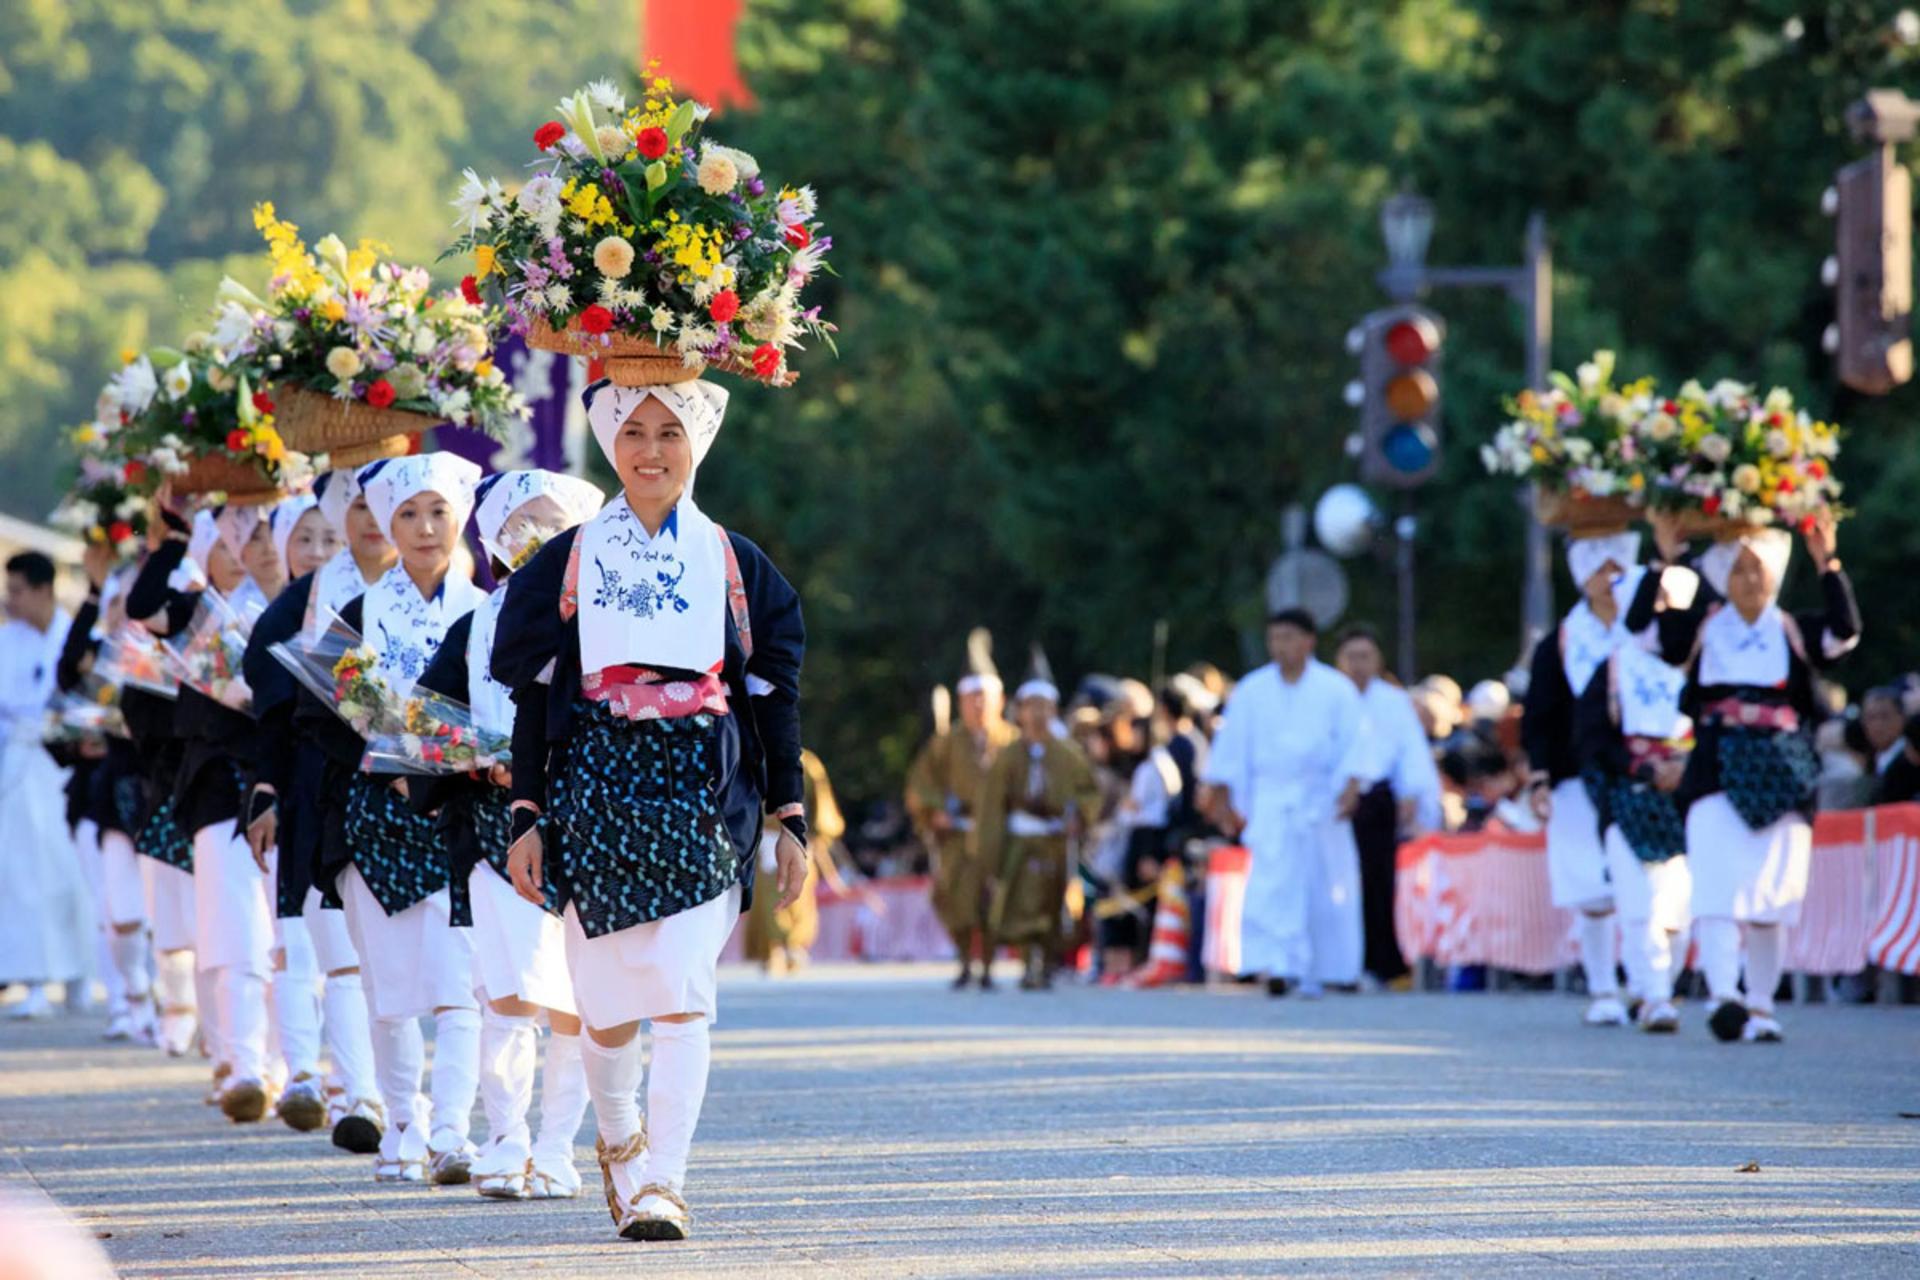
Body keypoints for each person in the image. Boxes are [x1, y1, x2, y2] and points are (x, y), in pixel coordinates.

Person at [492, 380, 809, 1242]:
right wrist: (525, 814)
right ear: (610, 444)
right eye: (634, 431)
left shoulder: (734, 561)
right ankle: (620, 1138)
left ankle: (665, 1180)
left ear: (695, 445)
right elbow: (533, 698)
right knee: (604, 1009)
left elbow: (774, 696)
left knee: (682, 991)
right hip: (595, 791)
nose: (652, 450)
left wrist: (790, 815)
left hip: (706, 792)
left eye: (671, 431)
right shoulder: (568, 560)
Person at [411, 467, 603, 1201]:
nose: (536, 535)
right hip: (495, 831)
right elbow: (427, 724)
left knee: (578, 999)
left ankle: (557, 1147)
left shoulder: (608, 614)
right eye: (520, 523)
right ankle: (506, 1138)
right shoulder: (475, 626)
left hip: (592, 826)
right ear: (494, 538)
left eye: (551, 521)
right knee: (510, 992)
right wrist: (476, 759)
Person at [325, 453, 488, 1183]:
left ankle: (452, 1130)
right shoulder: (354, 615)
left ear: (461, 519)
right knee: (388, 990)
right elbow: (328, 718)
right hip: (379, 814)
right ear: (387, 525)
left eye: (439, 513)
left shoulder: (488, 612)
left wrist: (452, 760)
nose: (425, 529)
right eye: (409, 515)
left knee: (461, 982)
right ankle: (403, 1124)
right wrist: (390, 758)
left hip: (462, 812)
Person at [1642, 513, 1859, 1043]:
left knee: (1772, 896)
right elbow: (1649, 632)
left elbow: (1844, 633)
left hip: (1782, 772)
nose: (1748, 580)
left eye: (1757, 568)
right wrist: (1667, 559)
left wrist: (1827, 562)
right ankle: (1724, 996)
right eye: (1736, 570)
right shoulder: (1703, 628)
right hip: (1716, 768)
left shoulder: (1792, 630)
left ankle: (1761, 1003)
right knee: (1716, 889)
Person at [240, 467, 391, 1154]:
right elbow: (274, 706)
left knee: (412, 960)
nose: (371, 521)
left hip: (422, 792)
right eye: (356, 507)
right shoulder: (308, 603)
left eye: (384, 506)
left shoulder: (449, 597)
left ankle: (413, 1103)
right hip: (321, 786)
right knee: (334, 948)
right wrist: (267, 789)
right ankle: (358, 1093)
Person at [127, 502, 284, 1120]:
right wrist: (172, 541)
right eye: (227, 542)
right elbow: (143, 607)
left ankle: (288, 1064)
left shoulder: (294, 606)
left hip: (288, 784)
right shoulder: (194, 613)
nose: (245, 552)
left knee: (288, 934)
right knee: (232, 927)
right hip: (218, 784)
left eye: (259, 537)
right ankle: (243, 1065)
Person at [1202, 608, 1368, 997]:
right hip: (1272, 798)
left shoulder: (1335, 689)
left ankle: (1335, 968)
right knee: (1272, 884)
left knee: (1327, 886)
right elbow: (1232, 748)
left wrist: (1351, 786)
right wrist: (1221, 796)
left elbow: (1355, 744)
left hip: (1320, 799)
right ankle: (1277, 964)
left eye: (1289, 638)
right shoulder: (1252, 690)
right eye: (1275, 638)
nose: (1281, 646)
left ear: (1309, 641)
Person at [1579, 535, 1700, 1032]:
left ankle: (1659, 984)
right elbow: (1592, 740)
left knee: (1678, 910)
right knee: (1637, 904)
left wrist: (1684, 769)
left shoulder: (1702, 665)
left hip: (1685, 798)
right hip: (1627, 798)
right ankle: (1654, 996)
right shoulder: (1610, 670)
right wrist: (1642, 769)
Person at [1522, 531, 1640, 1026]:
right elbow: (1539, 715)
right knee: (1592, 892)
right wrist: (1540, 777)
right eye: (1599, 570)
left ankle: (1649, 985)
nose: (1609, 580)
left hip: (1641, 773)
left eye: (1617, 569)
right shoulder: (1561, 642)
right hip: (1575, 779)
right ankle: (1603, 988)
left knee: (1649, 886)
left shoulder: (1651, 630)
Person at [57, 546, 155, 1043]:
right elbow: (66, 673)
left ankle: (169, 1004)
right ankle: (129, 997)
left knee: (165, 913)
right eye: (118, 603)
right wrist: (95, 596)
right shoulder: (98, 662)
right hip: (109, 801)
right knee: (118, 911)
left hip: (162, 797)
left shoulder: (165, 659)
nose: (125, 613)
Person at [0, 551, 89, 1020]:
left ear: (42, 590)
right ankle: (32, 979)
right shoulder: (7, 640)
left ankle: (79, 974)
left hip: (63, 766)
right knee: (21, 876)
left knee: (70, 873)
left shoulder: (72, 637)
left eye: (17, 591)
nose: (10, 600)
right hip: (17, 767)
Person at [1333, 624, 1441, 989]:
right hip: (1334, 802)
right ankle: (1335, 961)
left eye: (1365, 656)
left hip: (1376, 800)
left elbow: (1411, 751)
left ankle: (1378, 963)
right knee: (1334, 882)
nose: (1358, 664)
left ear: (1378, 659)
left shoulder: (1393, 702)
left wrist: (1410, 793)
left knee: (1378, 882)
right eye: (1351, 657)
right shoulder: (1329, 697)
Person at [980, 678, 1102, 990]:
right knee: (1022, 903)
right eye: (1032, 707)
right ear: (1020, 712)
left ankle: (1047, 962)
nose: (1038, 714)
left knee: (1054, 902)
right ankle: (1027, 962)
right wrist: (990, 847)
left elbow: (1089, 793)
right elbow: (992, 805)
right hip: (1020, 839)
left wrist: (1080, 817)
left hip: (1055, 838)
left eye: (1044, 707)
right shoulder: (1007, 756)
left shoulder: (1069, 755)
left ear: (1054, 711)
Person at [906, 659, 1018, 988]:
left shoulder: (1014, 742)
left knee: (996, 902)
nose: (978, 704)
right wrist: (935, 810)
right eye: (972, 698)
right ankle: (966, 959)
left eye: (985, 697)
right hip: (958, 833)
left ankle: (991, 964)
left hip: (1000, 835)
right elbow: (921, 786)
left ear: (1000, 701)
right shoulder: (945, 743)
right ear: (961, 702)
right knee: (956, 899)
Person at [744, 749, 853, 975]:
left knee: (798, 894)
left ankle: (792, 946)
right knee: (773, 895)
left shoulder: (807, 762)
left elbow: (820, 803)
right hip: (768, 837)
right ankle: (777, 948)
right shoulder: (752, 756)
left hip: (798, 835)